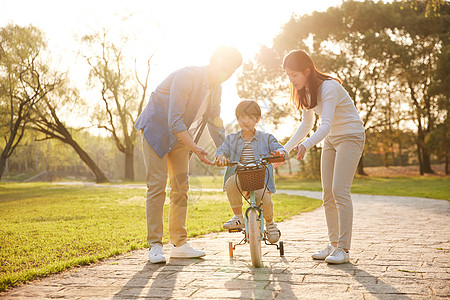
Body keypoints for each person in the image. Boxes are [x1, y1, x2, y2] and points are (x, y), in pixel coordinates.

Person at [135, 46, 242, 264]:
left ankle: (179, 244)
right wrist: (196, 148)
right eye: (224, 68)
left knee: (181, 187)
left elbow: (215, 121)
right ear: (213, 61)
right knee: (157, 186)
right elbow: (174, 120)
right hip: (157, 130)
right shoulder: (187, 76)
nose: (226, 74)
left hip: (181, 137)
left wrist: (224, 150)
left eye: (231, 71)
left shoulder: (216, 89)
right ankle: (155, 246)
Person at [278, 50, 365, 264]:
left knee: (339, 191)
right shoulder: (305, 92)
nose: (291, 80)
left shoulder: (329, 87)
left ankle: (343, 249)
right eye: (288, 75)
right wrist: (285, 150)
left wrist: (306, 145)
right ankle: (333, 244)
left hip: (351, 136)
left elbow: (324, 125)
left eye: (294, 75)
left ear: (307, 71)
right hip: (332, 140)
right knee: (327, 194)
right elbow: (306, 125)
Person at [215, 100, 286, 243]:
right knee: (230, 183)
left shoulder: (266, 138)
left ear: (257, 119)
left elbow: (277, 146)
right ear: (237, 119)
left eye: (250, 117)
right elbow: (222, 150)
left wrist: (280, 152)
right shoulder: (232, 139)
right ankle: (238, 217)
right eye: (241, 117)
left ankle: (270, 224)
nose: (245, 121)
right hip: (240, 177)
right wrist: (220, 156)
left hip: (260, 178)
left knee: (264, 198)